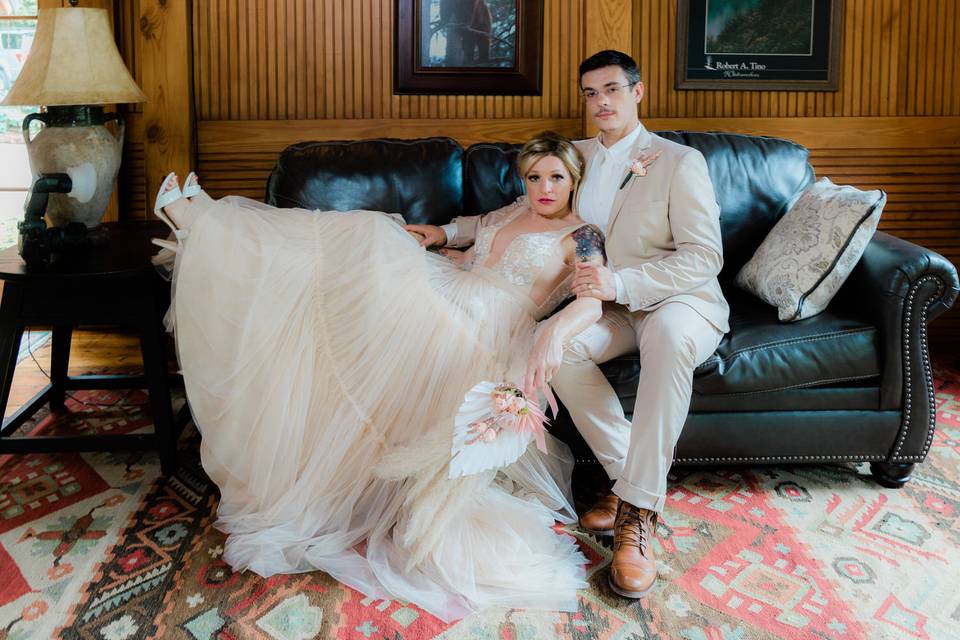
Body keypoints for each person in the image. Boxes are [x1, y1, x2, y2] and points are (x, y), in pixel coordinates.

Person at [152, 133, 606, 622]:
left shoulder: (584, 235)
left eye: (556, 177)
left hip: (485, 331)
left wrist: (554, 333)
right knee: (338, 262)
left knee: (370, 240)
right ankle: (210, 227)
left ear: (573, 180)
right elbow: (471, 229)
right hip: (450, 292)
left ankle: (207, 225)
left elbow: (591, 300)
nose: (544, 188)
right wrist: (437, 235)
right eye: (534, 176)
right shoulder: (516, 208)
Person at [411, 50, 729, 600]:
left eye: (611, 90)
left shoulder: (679, 161)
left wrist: (621, 285)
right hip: (603, 307)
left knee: (672, 340)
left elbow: (704, 257)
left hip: (674, 300)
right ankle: (632, 482)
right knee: (554, 346)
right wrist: (445, 232)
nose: (601, 102)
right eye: (591, 93)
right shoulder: (573, 156)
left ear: (638, 92)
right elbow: (516, 215)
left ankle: (635, 520)